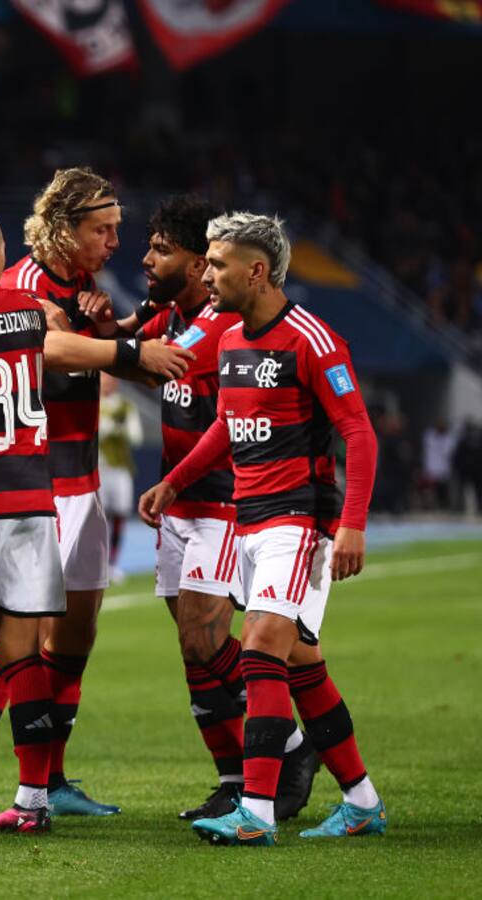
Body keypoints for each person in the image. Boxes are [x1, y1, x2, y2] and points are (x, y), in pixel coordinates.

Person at [0, 206, 192, 835]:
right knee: (24, 651)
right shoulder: (31, 313)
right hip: (37, 498)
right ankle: (32, 801)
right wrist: (126, 338)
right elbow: (77, 352)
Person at [139, 212, 385, 845]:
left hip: (299, 522)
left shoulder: (311, 339)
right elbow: (226, 425)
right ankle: (361, 801)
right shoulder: (229, 342)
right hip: (248, 521)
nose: (208, 273)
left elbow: (358, 431)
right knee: (302, 668)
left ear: (257, 270)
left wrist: (352, 526)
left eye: (218, 264)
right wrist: (176, 481)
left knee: (259, 648)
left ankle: (256, 811)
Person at [112, 195, 317, 821]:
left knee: (208, 640)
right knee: (192, 649)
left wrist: (81, 335)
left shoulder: (218, 322)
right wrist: (110, 330)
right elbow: (143, 364)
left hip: (223, 502)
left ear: (204, 264)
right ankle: (232, 776)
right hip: (178, 505)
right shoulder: (171, 316)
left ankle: (289, 744)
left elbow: (163, 362)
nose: (145, 258)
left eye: (161, 249)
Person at [96, 371, 142, 580]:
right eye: (104, 380)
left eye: (111, 380)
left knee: (120, 514)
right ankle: (99, 562)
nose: (107, 384)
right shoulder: (93, 405)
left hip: (121, 468)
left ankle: (113, 563)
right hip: (99, 468)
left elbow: (136, 437)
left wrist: (119, 429)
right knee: (99, 518)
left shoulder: (125, 406)